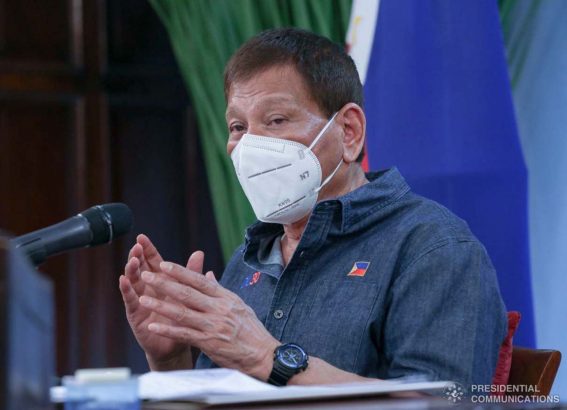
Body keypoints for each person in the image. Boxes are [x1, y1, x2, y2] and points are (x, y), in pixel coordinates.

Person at [119, 28, 506, 388]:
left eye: (275, 120)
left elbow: (448, 401)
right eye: (238, 127)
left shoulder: (432, 248)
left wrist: (269, 358)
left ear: (349, 131)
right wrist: (171, 361)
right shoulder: (250, 259)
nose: (250, 146)